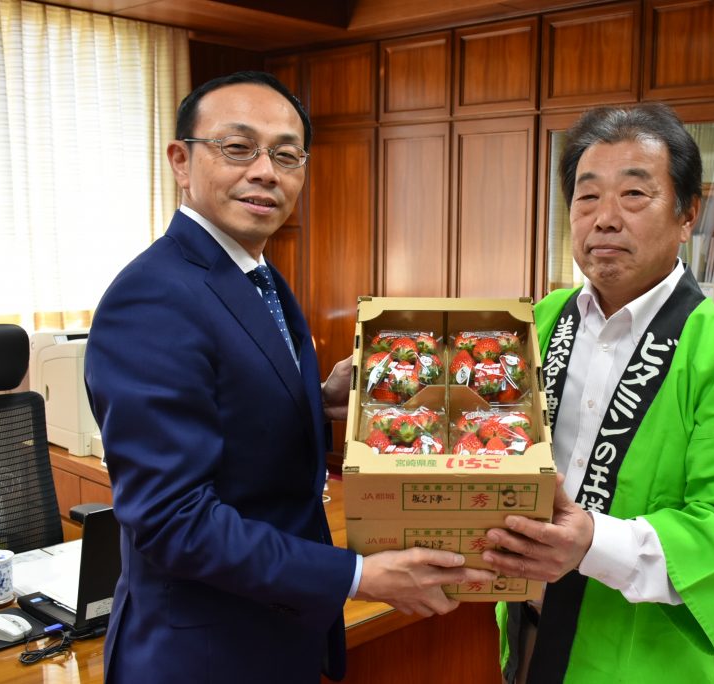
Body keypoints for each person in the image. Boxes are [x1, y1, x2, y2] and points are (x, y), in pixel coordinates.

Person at [84, 71, 493, 684]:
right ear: (181, 160)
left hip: (271, 632)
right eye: (238, 148)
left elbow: (236, 406)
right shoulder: (153, 297)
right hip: (201, 653)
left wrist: (319, 398)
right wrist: (358, 576)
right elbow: (173, 520)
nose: (265, 171)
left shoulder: (258, 275)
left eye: (286, 154)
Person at [481, 103, 714, 683]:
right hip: (524, 625)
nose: (604, 219)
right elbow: (487, 427)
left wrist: (590, 542)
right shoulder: (539, 322)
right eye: (586, 197)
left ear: (688, 215)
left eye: (634, 195)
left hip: (639, 657)